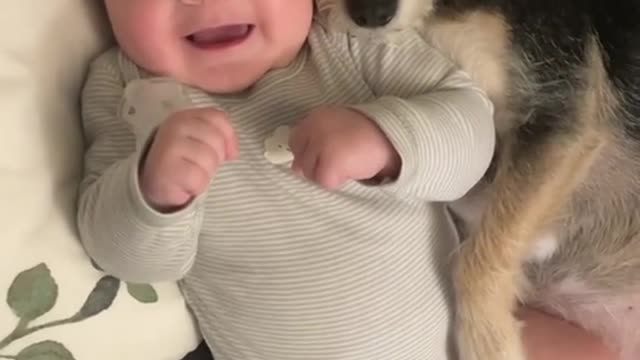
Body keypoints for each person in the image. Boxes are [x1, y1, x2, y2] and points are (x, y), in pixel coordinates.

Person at [78, 0, 613, 359]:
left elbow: (471, 135)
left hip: (455, 341)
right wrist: (154, 193)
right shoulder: (130, 92)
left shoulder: (352, 45)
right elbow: (125, 257)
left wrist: (388, 140)